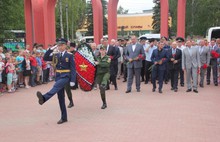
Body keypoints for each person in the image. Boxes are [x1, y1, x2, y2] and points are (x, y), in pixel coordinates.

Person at [36, 38, 76, 124]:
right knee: (60, 98)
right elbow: (45, 57)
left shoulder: (69, 55)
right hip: (58, 76)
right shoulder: (56, 54)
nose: (60, 47)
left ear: (65, 46)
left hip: (66, 76)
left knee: (56, 86)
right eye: (58, 45)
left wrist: (73, 80)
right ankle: (64, 117)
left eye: (61, 45)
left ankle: (44, 98)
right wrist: (51, 49)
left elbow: (73, 68)